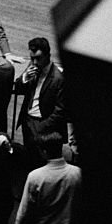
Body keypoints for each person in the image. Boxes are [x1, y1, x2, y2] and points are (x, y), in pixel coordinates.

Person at [16, 37, 67, 168]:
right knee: (29, 157)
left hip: (44, 125)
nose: (34, 62)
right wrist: (25, 78)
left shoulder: (59, 78)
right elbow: (18, 88)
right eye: (32, 58)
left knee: (43, 163)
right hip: (28, 121)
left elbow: (60, 111)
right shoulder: (32, 66)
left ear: (48, 56)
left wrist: (41, 127)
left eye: (38, 58)